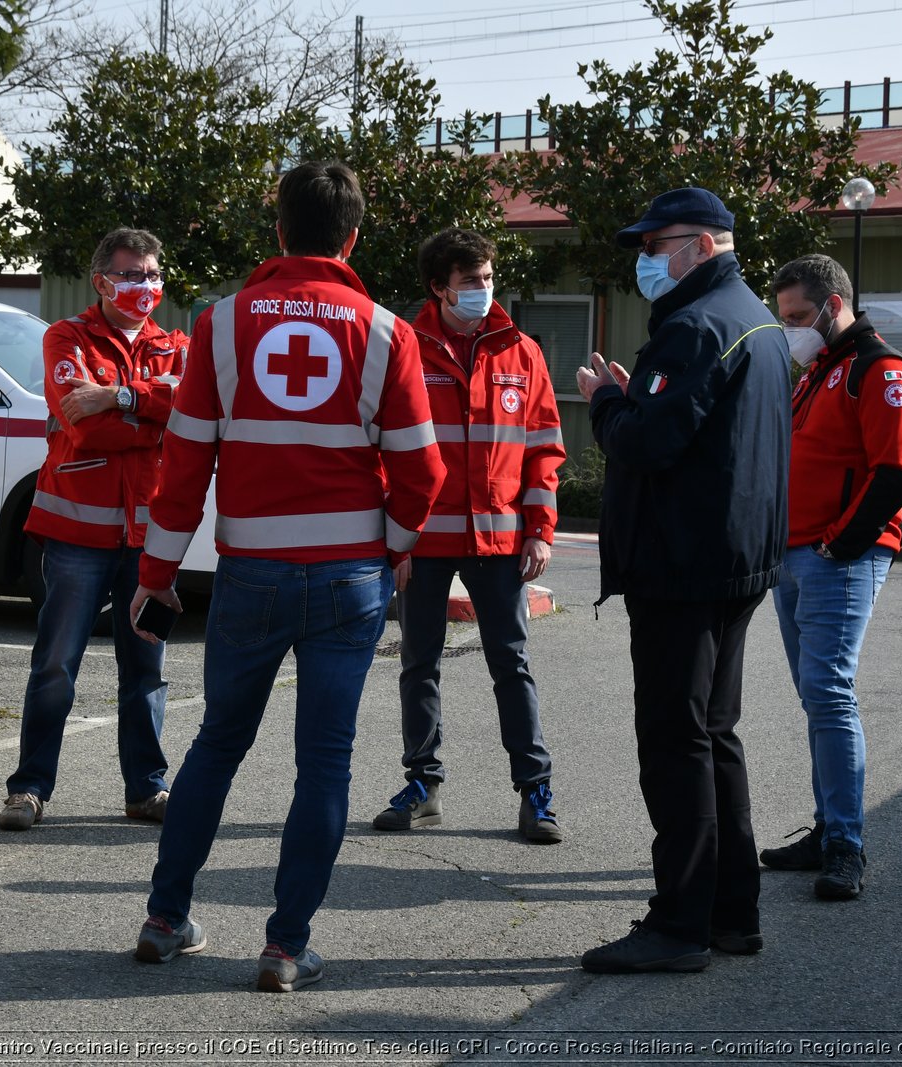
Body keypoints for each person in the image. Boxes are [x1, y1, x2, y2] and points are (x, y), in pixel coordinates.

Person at [128, 161, 445, 992]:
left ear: (279, 231)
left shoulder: (220, 324)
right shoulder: (385, 331)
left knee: (217, 743)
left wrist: (157, 570)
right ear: (351, 238)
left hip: (251, 572)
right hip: (351, 577)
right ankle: (284, 945)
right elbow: (422, 472)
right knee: (325, 764)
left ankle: (165, 918)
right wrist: (400, 544)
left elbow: (183, 465)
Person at [575, 187, 790, 973]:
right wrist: (639, 397)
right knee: (713, 734)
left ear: (699, 245)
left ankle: (679, 923)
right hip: (735, 560)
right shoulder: (756, 320)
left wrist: (605, 401)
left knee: (675, 742)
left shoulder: (698, 325)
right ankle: (733, 910)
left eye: (654, 245)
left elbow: (646, 443)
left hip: (684, 562)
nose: (644, 260)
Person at [369, 227, 567, 843]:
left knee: (512, 664)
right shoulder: (403, 345)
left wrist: (540, 530)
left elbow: (542, 448)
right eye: (470, 282)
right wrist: (394, 541)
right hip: (423, 544)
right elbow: (380, 451)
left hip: (501, 542)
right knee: (418, 664)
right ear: (439, 287)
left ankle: (535, 792)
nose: (484, 290)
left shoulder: (522, 351)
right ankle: (423, 784)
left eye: (488, 278)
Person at [0, 228, 187, 831]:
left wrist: (120, 397)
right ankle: (29, 789)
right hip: (76, 538)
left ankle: (146, 790)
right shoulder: (66, 337)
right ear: (101, 281)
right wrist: (143, 413)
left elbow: (192, 408)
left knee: (147, 669)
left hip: (150, 540)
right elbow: (82, 425)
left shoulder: (177, 345)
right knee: (56, 664)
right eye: (132, 275)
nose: (146, 286)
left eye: (153, 274)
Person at [761, 253, 902, 900]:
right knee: (817, 695)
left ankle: (845, 845)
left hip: (838, 558)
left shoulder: (878, 370)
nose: (790, 329)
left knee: (828, 691)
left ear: (833, 306)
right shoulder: (820, 372)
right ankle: (829, 827)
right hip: (796, 556)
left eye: (797, 316)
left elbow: (895, 471)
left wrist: (837, 547)